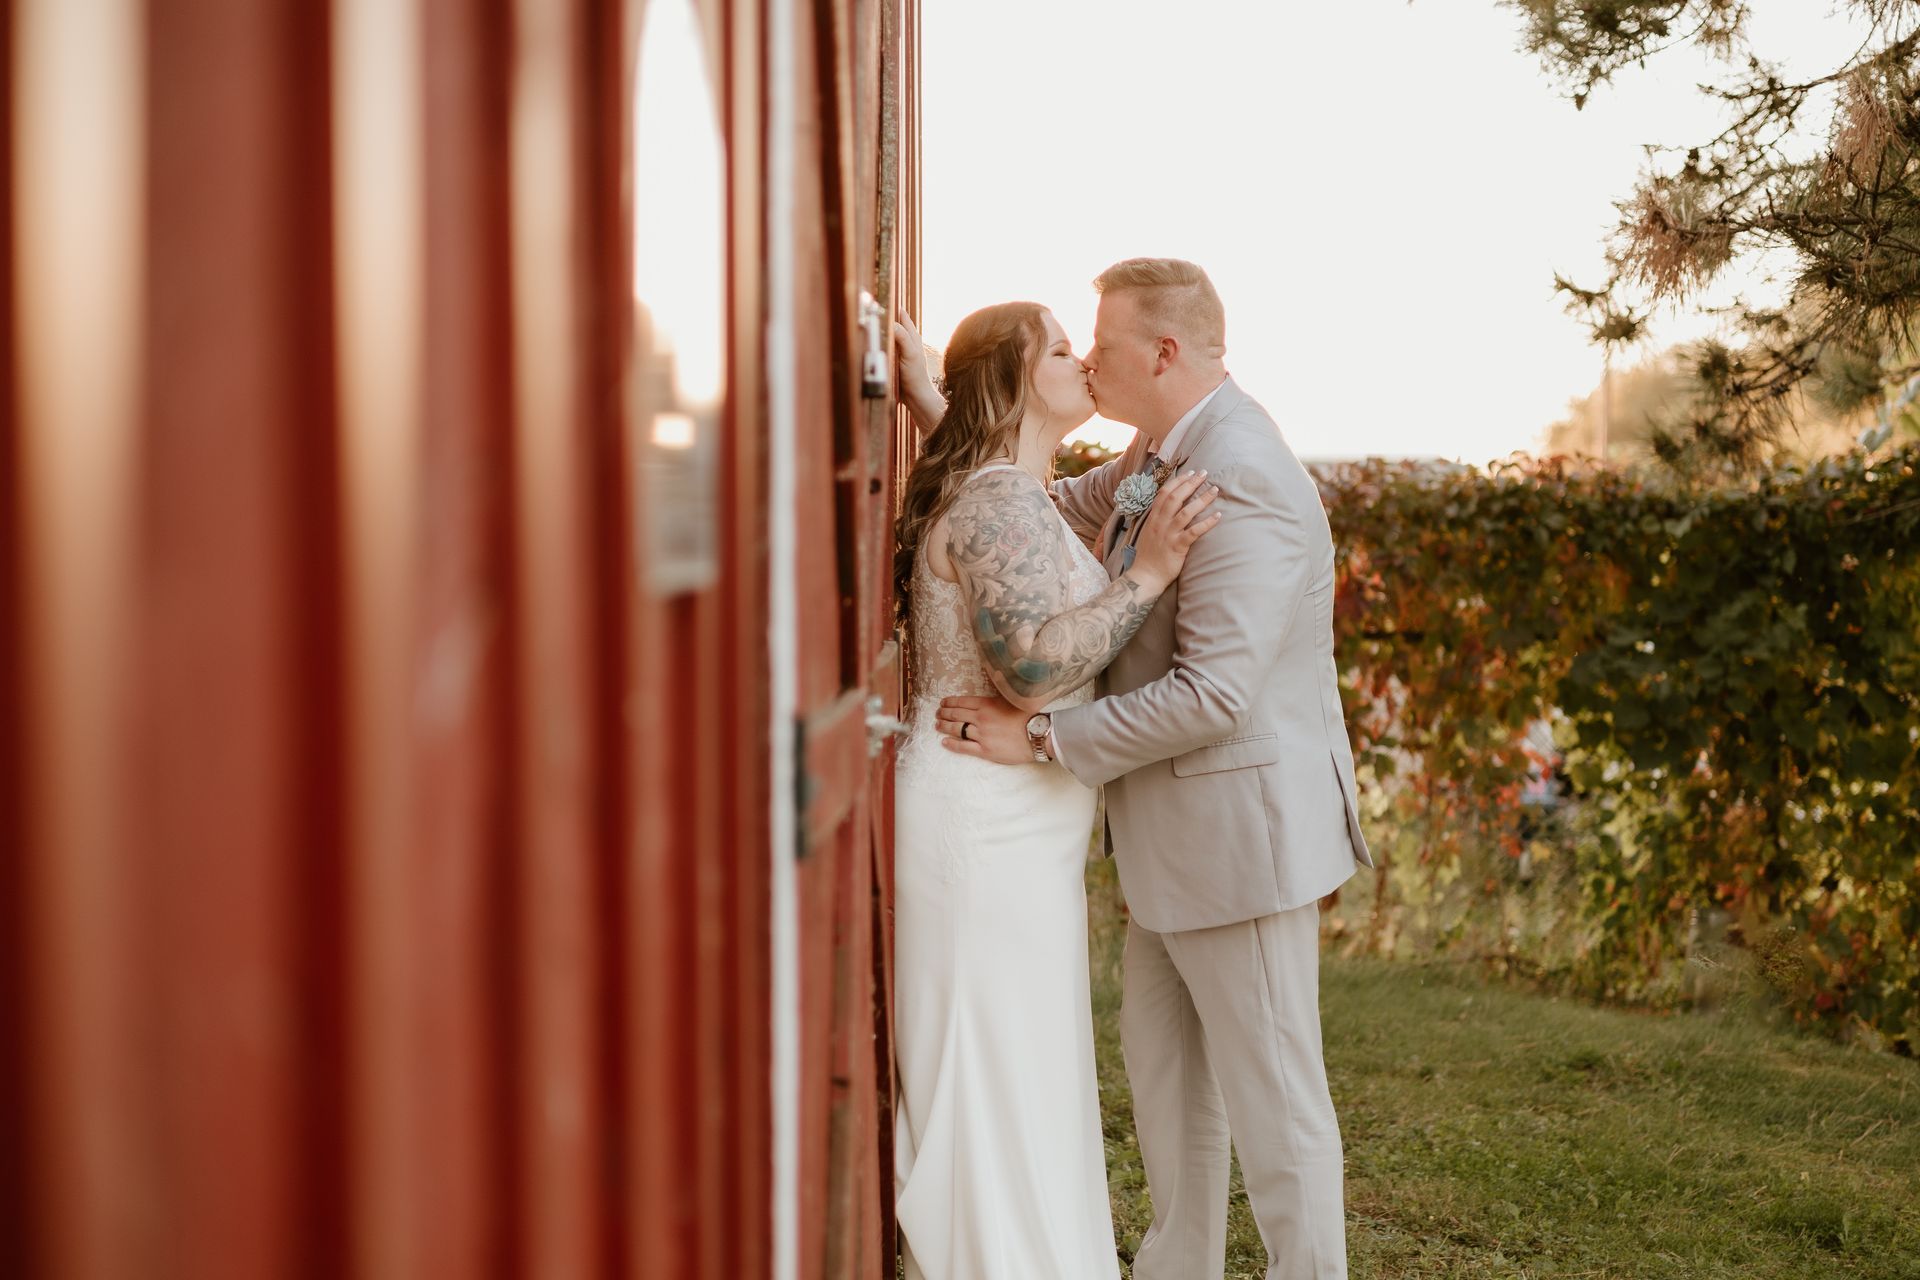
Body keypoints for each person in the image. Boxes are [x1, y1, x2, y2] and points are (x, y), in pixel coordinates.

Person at [927, 259, 1374, 1280]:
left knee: (1277, 1108)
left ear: (1162, 352)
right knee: (1172, 1094)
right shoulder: (1156, 447)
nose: (1088, 357)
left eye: (1103, 340)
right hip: (1172, 844)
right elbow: (1050, 502)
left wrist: (1036, 737)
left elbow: (1215, 695)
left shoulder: (1240, 470)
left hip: (1240, 840)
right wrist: (946, 397)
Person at [888, 298, 1219, 1280]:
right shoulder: (995, 501)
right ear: (1016, 376)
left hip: (1022, 835)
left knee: (1029, 1065)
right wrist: (1149, 571)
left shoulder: (1023, 489)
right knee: (996, 1067)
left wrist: (922, 393)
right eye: (1063, 349)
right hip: (980, 831)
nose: (1083, 360)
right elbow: (1029, 671)